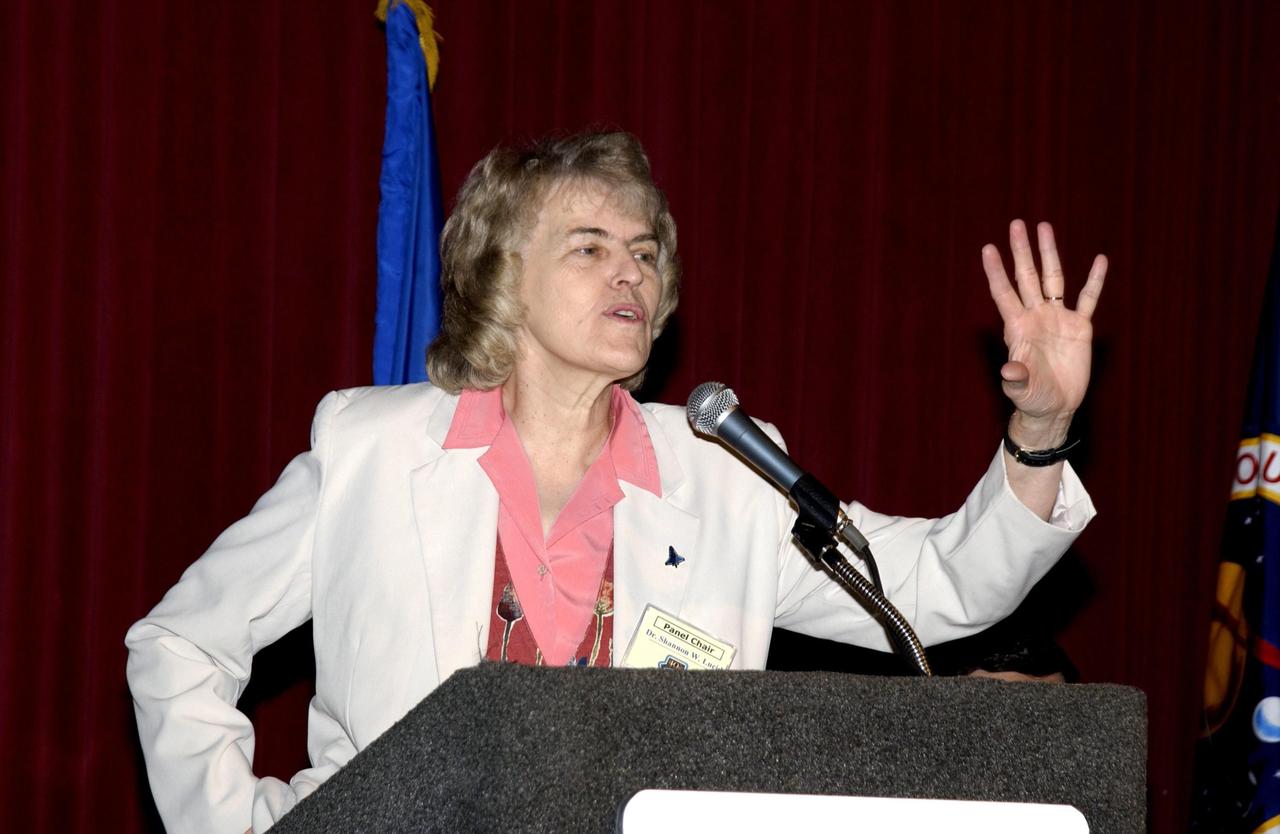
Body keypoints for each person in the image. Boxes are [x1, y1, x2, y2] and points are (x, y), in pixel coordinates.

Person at [126, 131, 1106, 832]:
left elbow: (941, 589)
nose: (630, 275)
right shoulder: (370, 452)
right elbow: (178, 642)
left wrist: (1040, 428)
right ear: (502, 276)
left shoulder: (725, 474)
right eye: (588, 249)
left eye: (643, 254)